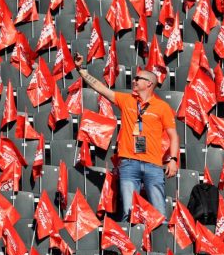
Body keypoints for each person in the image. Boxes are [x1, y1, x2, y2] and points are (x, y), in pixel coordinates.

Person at [74, 54, 179, 220]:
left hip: (154, 165)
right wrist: (81, 70)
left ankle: (159, 245)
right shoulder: (127, 100)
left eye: (138, 78)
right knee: (129, 214)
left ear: (149, 83)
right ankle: (133, 245)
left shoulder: (162, 107)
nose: (134, 81)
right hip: (129, 163)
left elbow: (173, 135)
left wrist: (173, 159)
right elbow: (101, 89)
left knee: (159, 214)